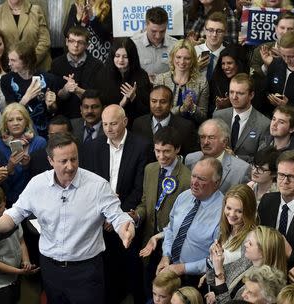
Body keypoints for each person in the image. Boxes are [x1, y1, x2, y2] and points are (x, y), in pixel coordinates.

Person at [0, 132, 135, 304]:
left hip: (86, 271)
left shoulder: (98, 186)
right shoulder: (37, 184)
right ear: (50, 161)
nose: (70, 166)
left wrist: (125, 227)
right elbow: (16, 213)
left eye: (74, 159)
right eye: (63, 161)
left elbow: (117, 216)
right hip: (51, 269)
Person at [82, 104, 149, 303]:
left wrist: (116, 214)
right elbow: (89, 184)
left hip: (127, 215)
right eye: (104, 124)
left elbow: (140, 188)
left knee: (130, 267)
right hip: (99, 219)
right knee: (107, 271)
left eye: (113, 123)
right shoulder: (93, 147)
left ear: (125, 122)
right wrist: (105, 213)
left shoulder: (141, 146)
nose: (109, 129)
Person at [137, 126, 191, 296]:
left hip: (172, 247)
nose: (161, 156)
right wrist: (136, 215)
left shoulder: (187, 178)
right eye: (157, 150)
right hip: (148, 242)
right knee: (148, 289)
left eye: (166, 151)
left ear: (178, 149)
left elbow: (184, 219)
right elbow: (146, 202)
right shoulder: (150, 169)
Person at [157, 157, 224, 286]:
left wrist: (183, 268)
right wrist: (166, 256)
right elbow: (170, 229)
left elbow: (218, 258)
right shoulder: (184, 196)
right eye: (194, 176)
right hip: (170, 268)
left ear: (216, 183)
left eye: (202, 179)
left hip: (198, 280)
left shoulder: (224, 212)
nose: (194, 182)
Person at [0, 184, 38, 304]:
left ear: (5, 200)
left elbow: (21, 241)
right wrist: (20, 272)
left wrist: (26, 261)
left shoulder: (12, 216)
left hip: (14, 277)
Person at [204, 185, 258, 303]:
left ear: (249, 211)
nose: (232, 214)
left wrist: (217, 292)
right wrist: (211, 261)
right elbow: (212, 278)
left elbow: (239, 286)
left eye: (239, 211)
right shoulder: (224, 230)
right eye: (228, 208)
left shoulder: (253, 240)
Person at [0, 41, 60, 138]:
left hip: (44, 131)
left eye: (13, 60)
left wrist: (51, 105)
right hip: (19, 132)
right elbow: (9, 114)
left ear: (26, 61)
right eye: (9, 60)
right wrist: (26, 97)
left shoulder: (49, 79)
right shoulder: (6, 80)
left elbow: (54, 112)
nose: (9, 64)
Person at [0, 103, 46, 206]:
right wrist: (9, 168)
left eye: (19, 119)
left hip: (37, 198)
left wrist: (27, 166)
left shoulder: (39, 143)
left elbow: (44, 176)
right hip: (10, 201)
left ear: (26, 121)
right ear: (5, 124)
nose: (15, 123)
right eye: (11, 120)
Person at [257, 150, 294, 266]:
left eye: (291, 177)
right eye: (281, 175)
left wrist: (290, 254)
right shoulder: (267, 201)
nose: (284, 181)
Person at [213, 73, 270, 162]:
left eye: (240, 93)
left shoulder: (264, 124)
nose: (234, 97)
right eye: (231, 92)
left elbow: (261, 161)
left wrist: (235, 159)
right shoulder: (218, 116)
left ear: (251, 95)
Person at [95, 38, 151, 127]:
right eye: (117, 56)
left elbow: (147, 110)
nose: (121, 60)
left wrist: (133, 98)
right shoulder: (103, 75)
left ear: (132, 57)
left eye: (125, 57)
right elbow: (99, 107)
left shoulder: (141, 75)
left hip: (136, 125)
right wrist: (122, 103)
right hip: (109, 125)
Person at [185, 118, 251, 193]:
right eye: (202, 137)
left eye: (211, 137)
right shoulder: (191, 159)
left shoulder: (241, 170)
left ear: (225, 141)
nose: (206, 142)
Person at [132, 85, 199, 158]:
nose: (158, 105)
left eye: (163, 102)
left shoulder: (186, 127)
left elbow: (189, 158)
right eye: (154, 101)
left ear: (171, 104)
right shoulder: (138, 124)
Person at [153, 39, 209, 125]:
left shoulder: (201, 82)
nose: (182, 62)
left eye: (187, 58)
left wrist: (192, 107)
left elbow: (203, 117)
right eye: (178, 57)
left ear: (193, 60)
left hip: (192, 132)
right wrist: (182, 109)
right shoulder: (161, 80)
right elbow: (159, 113)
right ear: (172, 57)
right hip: (165, 131)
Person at [52, 26, 103, 119]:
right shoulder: (56, 64)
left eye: (80, 42)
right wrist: (65, 89)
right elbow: (55, 97)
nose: (75, 45)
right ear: (67, 42)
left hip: (89, 117)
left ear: (87, 45)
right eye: (72, 41)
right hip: (63, 116)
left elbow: (98, 97)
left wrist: (78, 90)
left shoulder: (97, 65)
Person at [265, 31, 294, 145]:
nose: (286, 60)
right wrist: (270, 98)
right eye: (283, 55)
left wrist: (289, 106)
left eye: (291, 56)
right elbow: (266, 90)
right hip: (273, 131)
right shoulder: (276, 64)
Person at [0, 0, 51, 71]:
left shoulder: (36, 10)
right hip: (9, 69)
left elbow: (45, 41)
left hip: (37, 67)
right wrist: (13, 61)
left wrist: (28, 61)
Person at [131, 6, 177, 82]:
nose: (158, 36)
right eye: (153, 31)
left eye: (162, 31)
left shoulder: (175, 45)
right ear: (146, 25)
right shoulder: (133, 44)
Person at [209, 45, 249, 114]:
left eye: (229, 63)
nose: (225, 67)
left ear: (238, 64)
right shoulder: (216, 80)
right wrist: (219, 107)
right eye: (223, 63)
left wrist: (230, 106)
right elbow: (209, 108)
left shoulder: (250, 82)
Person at [194, 12, 227, 83]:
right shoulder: (193, 51)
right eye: (210, 30)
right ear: (204, 31)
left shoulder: (228, 54)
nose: (214, 34)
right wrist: (194, 69)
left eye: (219, 31)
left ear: (225, 33)